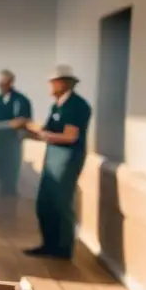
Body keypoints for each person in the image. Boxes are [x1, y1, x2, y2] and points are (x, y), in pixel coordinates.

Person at [16, 64, 92, 260]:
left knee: (61, 202)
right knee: (45, 202)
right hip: (53, 157)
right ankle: (48, 244)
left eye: (53, 82)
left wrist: (42, 134)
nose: (50, 86)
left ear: (63, 83)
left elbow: (70, 136)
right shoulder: (57, 105)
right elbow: (47, 130)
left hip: (67, 158)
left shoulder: (77, 105)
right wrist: (29, 127)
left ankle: (63, 249)